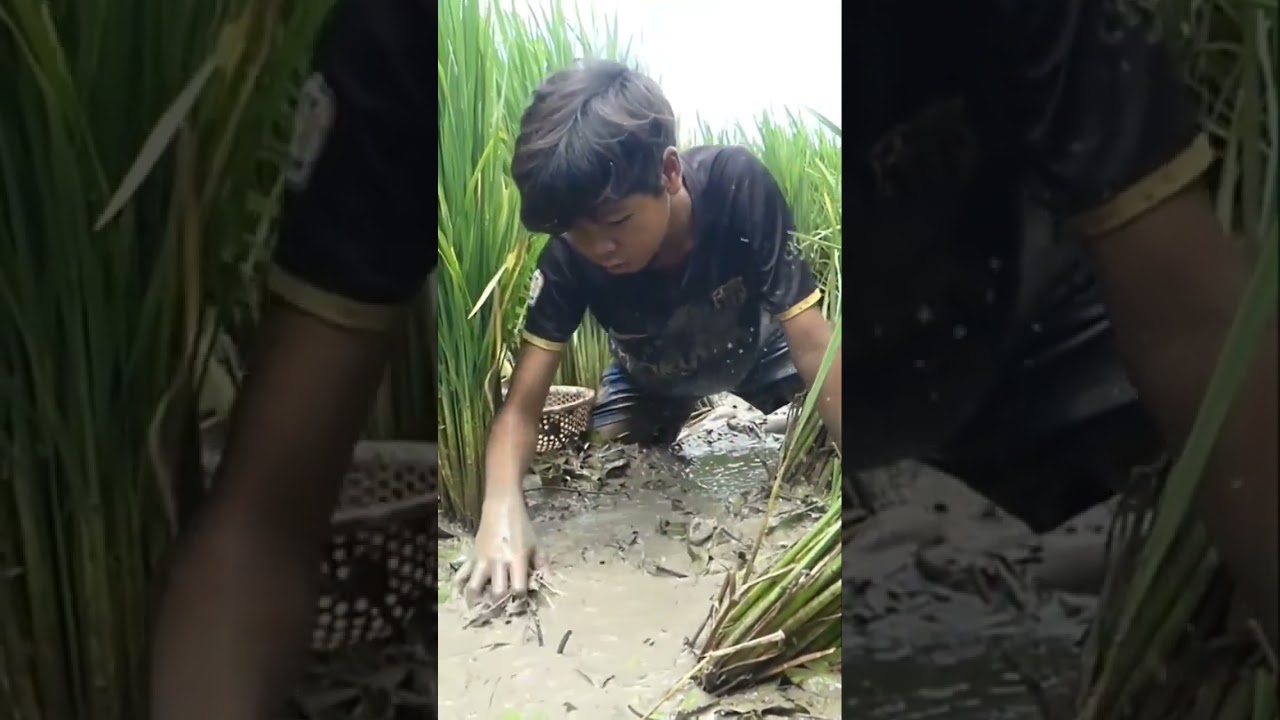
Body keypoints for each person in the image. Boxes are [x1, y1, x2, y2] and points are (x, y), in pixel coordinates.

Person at [148, 2, 1276, 720]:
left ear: (673, 175)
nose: (597, 248)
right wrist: (501, 508)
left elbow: (804, 340)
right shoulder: (551, 232)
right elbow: (513, 405)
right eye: (575, 235)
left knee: (876, 456)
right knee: (614, 459)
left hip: (790, 360)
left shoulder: (738, 187)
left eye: (613, 225)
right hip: (660, 381)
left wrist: (845, 501)